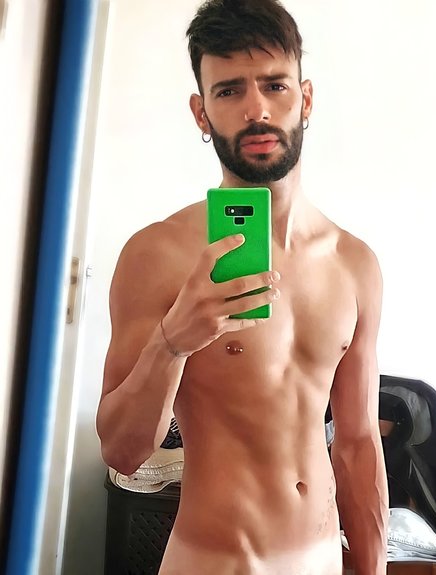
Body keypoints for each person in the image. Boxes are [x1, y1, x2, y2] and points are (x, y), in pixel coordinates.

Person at [96, 0, 389, 573]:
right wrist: (172, 342)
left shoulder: (355, 264)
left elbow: (358, 444)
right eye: (229, 91)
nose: (256, 109)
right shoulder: (157, 255)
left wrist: (372, 567)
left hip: (321, 560)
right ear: (201, 113)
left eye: (274, 85)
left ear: (305, 99)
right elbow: (122, 453)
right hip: (215, 561)